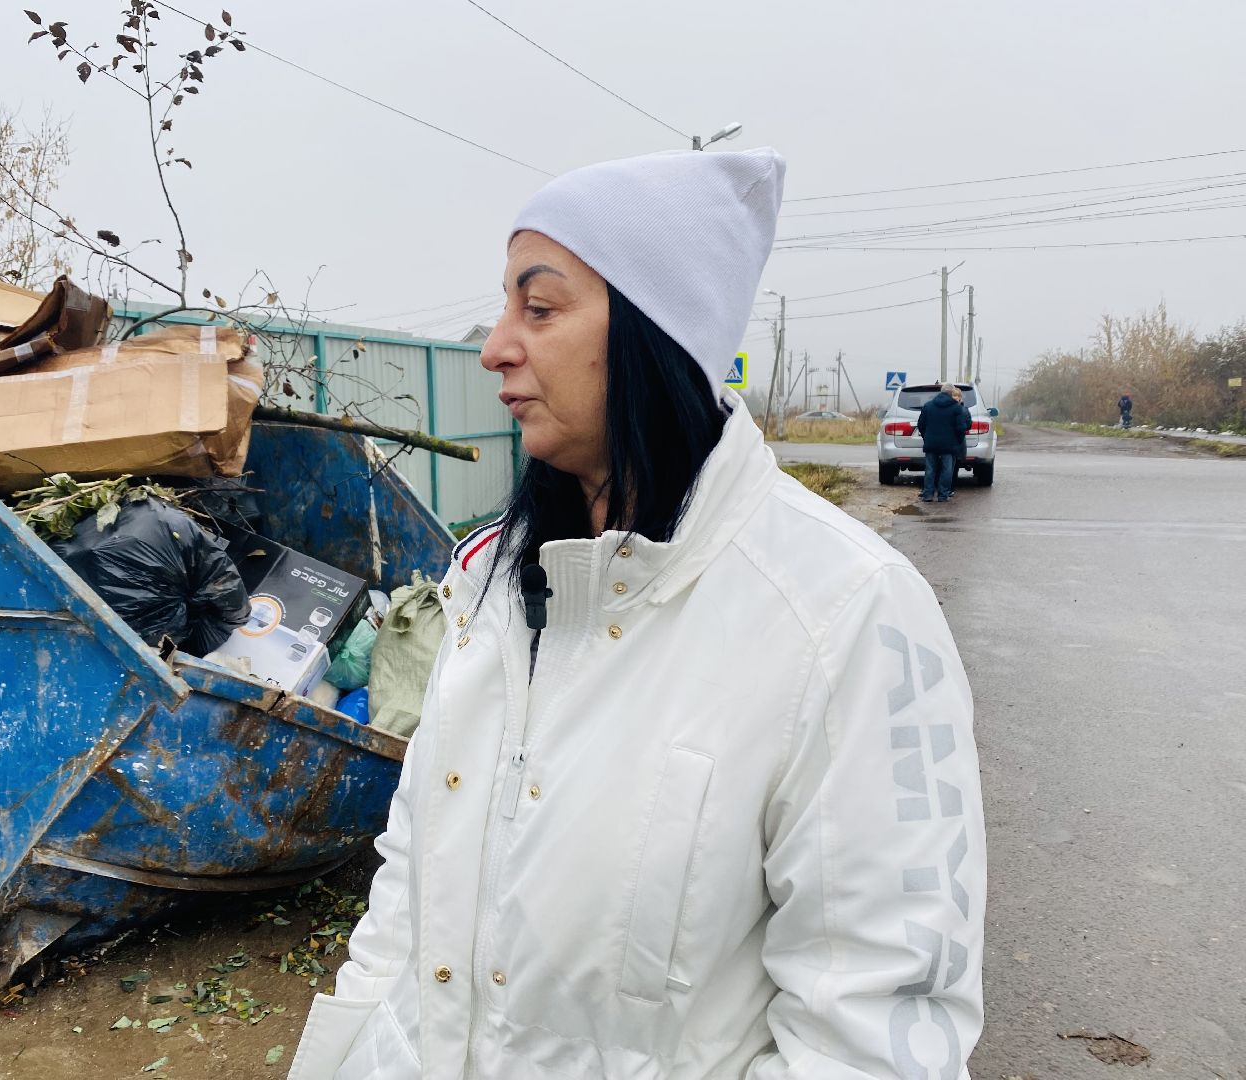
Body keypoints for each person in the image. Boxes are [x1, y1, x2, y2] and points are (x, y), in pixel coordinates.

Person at [288, 148, 986, 1080]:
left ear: (658, 337)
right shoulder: (489, 586)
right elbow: (408, 897)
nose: (495, 346)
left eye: (539, 308)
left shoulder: (846, 614)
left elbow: (875, 1035)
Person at [916, 383, 969, 503]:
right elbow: (961, 428)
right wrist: (957, 441)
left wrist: (926, 438)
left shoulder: (928, 406)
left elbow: (921, 425)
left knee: (930, 469)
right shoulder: (956, 408)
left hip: (931, 444)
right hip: (949, 445)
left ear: (941, 391)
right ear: (951, 393)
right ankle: (943, 495)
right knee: (947, 470)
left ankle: (928, 494)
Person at [946, 383, 970, 499]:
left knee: (954, 467)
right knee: (947, 466)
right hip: (949, 441)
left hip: (958, 442)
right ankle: (946, 488)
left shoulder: (964, 410)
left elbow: (968, 424)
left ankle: (951, 488)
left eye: (957, 396)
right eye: (953, 395)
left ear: (960, 397)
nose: (955, 397)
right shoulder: (947, 409)